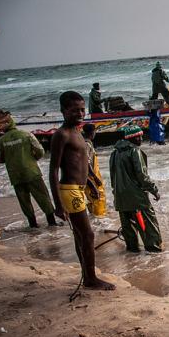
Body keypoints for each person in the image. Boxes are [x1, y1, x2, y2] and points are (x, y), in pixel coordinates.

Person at [49, 91, 115, 290]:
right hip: (69, 190)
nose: (79, 114)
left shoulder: (77, 132)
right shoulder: (62, 135)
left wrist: (91, 184)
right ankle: (91, 279)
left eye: (82, 110)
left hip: (79, 189)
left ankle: (87, 276)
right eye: (74, 110)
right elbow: (53, 170)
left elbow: (80, 165)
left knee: (81, 236)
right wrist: (58, 204)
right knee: (87, 235)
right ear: (63, 111)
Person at [0, 117, 59, 228]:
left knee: (24, 201)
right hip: (31, 171)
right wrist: (32, 159)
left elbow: (0, 158)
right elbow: (40, 151)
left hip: (15, 174)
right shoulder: (26, 134)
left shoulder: (1, 141)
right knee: (42, 197)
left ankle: (33, 224)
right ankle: (52, 222)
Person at [110, 125, 162, 253]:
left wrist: (115, 193)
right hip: (137, 196)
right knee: (148, 224)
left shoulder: (114, 153)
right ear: (133, 138)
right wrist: (154, 190)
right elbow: (142, 175)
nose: (141, 138)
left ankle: (133, 250)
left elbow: (112, 176)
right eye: (139, 136)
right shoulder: (135, 151)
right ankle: (154, 248)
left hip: (120, 196)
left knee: (128, 226)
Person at [82, 124, 106, 217]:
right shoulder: (87, 144)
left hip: (89, 179)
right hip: (91, 179)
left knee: (92, 203)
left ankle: (95, 225)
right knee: (97, 202)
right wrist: (95, 178)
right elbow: (86, 163)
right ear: (92, 132)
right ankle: (99, 225)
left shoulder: (86, 143)